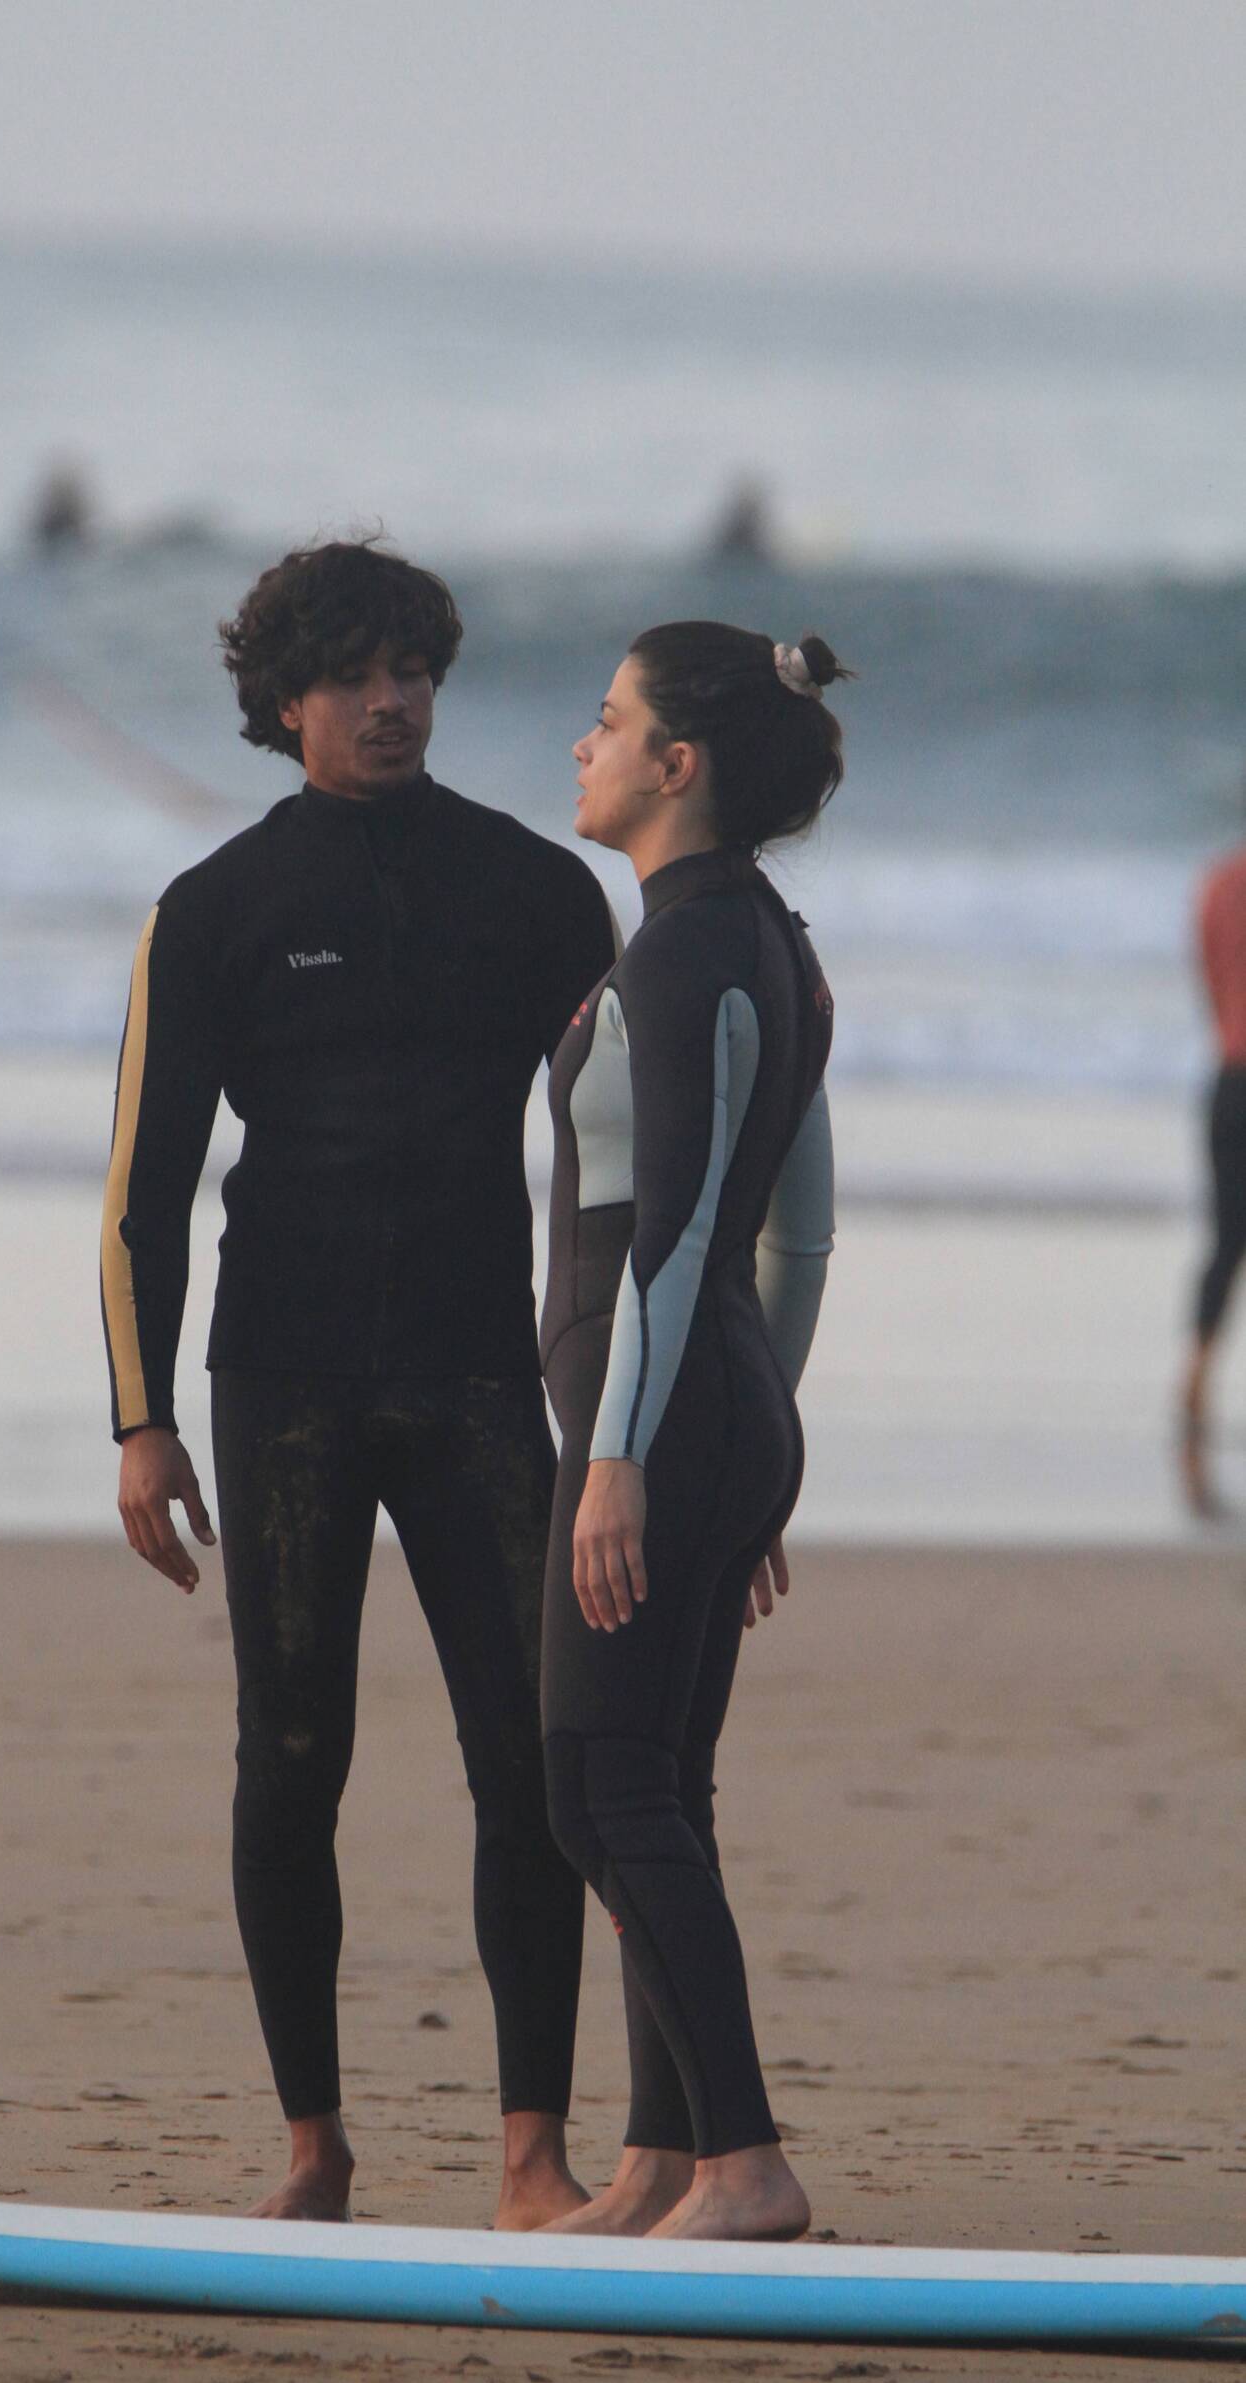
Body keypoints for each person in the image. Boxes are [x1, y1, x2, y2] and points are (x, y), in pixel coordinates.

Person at [100, 539, 619, 2223]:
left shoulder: (539, 895)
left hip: (476, 1372)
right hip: (286, 1377)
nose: (389, 704)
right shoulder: (216, 910)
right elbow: (142, 1186)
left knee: (526, 1759)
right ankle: (312, 2148)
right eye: (350, 678)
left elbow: (623, 1155)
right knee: (289, 1754)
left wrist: (631, 1393)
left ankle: (530, 2155)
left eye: (412, 674)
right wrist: (139, 1419)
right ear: (281, 702)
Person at [538, 622, 846, 2243]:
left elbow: (669, 1236)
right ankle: (662, 2159)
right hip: (710, 1412)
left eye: (605, 723)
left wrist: (623, 1460)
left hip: (658, 1418)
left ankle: (742, 2163)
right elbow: (800, 1235)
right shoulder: (765, 945)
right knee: (655, 1783)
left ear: (677, 764)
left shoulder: (686, 956)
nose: (578, 747)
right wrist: (749, 1448)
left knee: (595, 1788)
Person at [1179, 834, 1246, 1517]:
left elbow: (1212, 987)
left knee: (1226, 1249)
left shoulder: (1217, 886)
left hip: (1230, 1080)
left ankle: (1193, 1410)